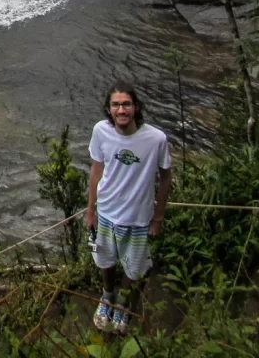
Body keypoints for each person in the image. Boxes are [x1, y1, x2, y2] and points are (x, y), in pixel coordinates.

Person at [85, 80, 172, 335]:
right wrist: (90, 211)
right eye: (116, 105)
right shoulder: (101, 131)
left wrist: (158, 218)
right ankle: (107, 296)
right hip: (106, 213)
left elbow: (165, 177)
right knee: (105, 260)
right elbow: (96, 169)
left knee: (134, 268)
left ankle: (124, 304)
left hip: (137, 218)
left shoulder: (156, 139)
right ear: (108, 109)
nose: (121, 110)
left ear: (135, 107)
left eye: (126, 104)